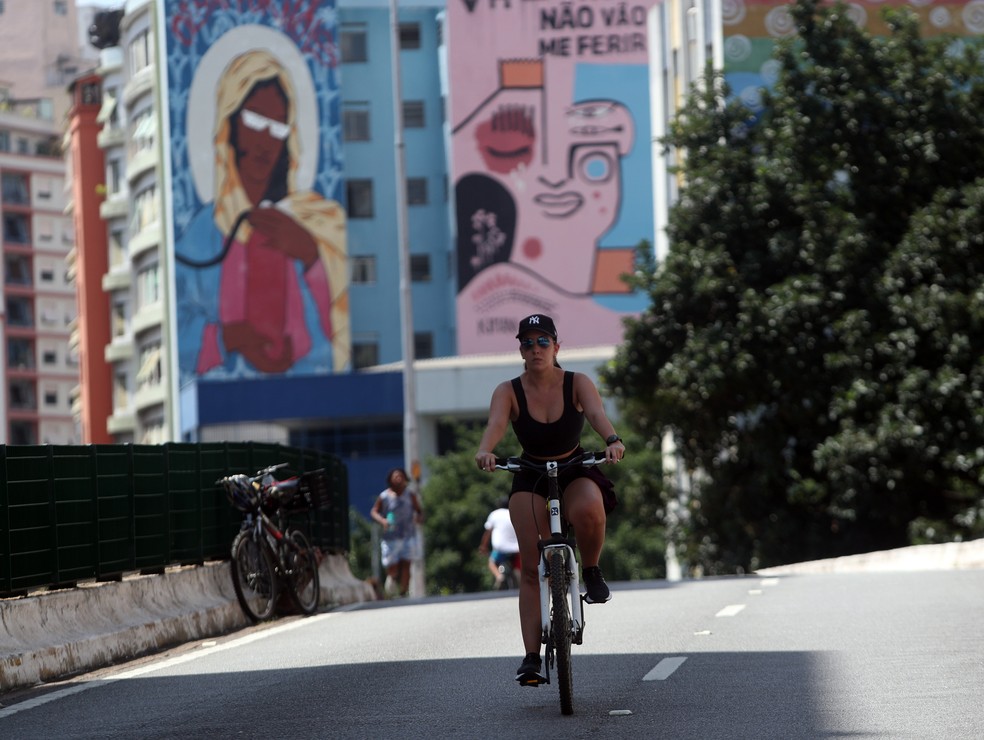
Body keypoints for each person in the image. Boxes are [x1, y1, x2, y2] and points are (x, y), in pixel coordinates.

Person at [175, 48, 349, 381]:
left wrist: (311, 256)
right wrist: (231, 337)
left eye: (277, 127)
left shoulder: (315, 220)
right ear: (230, 125)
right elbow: (176, 327)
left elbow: (335, 341)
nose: (265, 141)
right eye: (254, 120)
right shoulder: (202, 235)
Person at [474, 314, 625, 684]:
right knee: (530, 565)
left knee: (590, 508)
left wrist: (612, 440)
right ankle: (530, 658)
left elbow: (595, 414)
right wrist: (486, 451)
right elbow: (495, 425)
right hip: (531, 473)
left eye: (543, 342)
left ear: (557, 347)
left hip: (573, 466)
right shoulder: (508, 391)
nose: (536, 349)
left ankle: (590, 569)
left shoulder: (577, 382)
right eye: (528, 343)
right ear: (521, 350)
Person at [370, 468, 423, 598]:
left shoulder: (410, 495)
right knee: (392, 565)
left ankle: (403, 592)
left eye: (401, 476)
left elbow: (420, 511)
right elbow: (374, 512)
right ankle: (392, 578)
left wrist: (418, 518)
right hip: (390, 537)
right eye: (395, 476)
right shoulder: (384, 497)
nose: (398, 479)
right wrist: (382, 521)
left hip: (408, 535)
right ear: (390, 480)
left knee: (406, 563)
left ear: (405, 479)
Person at [479, 498, 520, 588]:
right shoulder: (515, 513)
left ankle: (499, 576)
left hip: (501, 548)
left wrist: (483, 547)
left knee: (491, 563)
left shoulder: (494, 514)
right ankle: (519, 577)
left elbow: (487, 533)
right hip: (516, 548)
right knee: (518, 567)